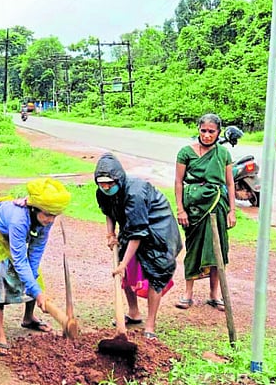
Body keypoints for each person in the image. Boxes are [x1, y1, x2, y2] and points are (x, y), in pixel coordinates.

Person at [0, 178, 71, 355]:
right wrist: (37, 292)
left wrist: (35, 287)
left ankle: (28, 318)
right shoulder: (19, 220)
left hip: (10, 236)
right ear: (34, 209)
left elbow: (36, 251)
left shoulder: (46, 219)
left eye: (54, 216)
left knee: (35, 275)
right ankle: (0, 334)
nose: (50, 220)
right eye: (48, 215)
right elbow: (19, 260)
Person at [95, 153, 182, 340]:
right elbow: (108, 212)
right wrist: (110, 233)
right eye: (102, 183)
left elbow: (137, 235)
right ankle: (134, 313)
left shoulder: (134, 193)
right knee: (125, 274)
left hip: (158, 228)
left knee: (155, 273)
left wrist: (122, 264)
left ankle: (150, 324)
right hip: (133, 225)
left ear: (119, 178)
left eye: (109, 183)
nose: (106, 187)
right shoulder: (102, 192)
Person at [174, 113, 236, 310]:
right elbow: (178, 182)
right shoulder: (185, 152)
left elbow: (229, 183)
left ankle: (214, 295)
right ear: (198, 130)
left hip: (217, 204)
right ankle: (188, 294)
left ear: (218, 133)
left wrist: (232, 211)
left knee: (217, 249)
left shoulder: (223, 154)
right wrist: (180, 209)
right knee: (193, 248)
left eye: (212, 131)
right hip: (193, 207)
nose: (207, 135)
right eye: (204, 131)